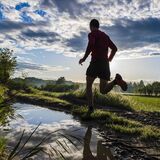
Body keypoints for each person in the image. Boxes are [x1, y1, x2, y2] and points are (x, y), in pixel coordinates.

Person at [79, 19, 127, 112]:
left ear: (91, 26)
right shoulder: (105, 36)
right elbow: (115, 49)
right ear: (98, 26)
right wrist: (109, 59)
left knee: (89, 85)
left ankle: (91, 108)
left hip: (95, 62)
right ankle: (115, 82)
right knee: (103, 90)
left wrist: (84, 58)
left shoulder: (92, 34)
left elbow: (91, 45)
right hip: (105, 64)